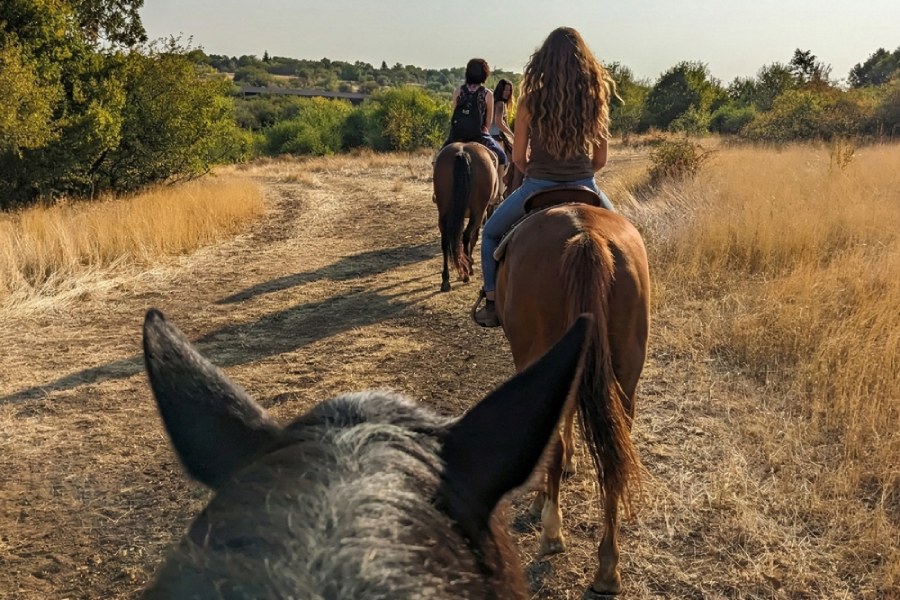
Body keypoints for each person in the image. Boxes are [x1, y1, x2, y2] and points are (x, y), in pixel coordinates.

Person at [472, 27, 617, 328]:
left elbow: (517, 157)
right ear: (585, 62)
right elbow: (600, 160)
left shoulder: (529, 101)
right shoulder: (595, 98)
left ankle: (491, 303)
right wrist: (580, 172)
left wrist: (537, 171)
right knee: (626, 240)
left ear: (543, 62)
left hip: (538, 185)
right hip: (585, 185)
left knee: (490, 236)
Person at [440, 58, 508, 168]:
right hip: (479, 135)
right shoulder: (487, 94)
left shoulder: (458, 91)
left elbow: (453, 115)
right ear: (484, 74)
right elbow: (487, 123)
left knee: (438, 159)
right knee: (502, 157)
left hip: (457, 135)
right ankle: (499, 185)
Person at [489, 79, 519, 195]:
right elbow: (499, 123)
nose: (507, 92)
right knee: (515, 158)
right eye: (505, 90)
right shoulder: (500, 104)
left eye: (509, 90)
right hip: (497, 136)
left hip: (490, 135)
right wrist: (512, 135)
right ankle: (505, 183)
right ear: (500, 90)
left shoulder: (493, 102)